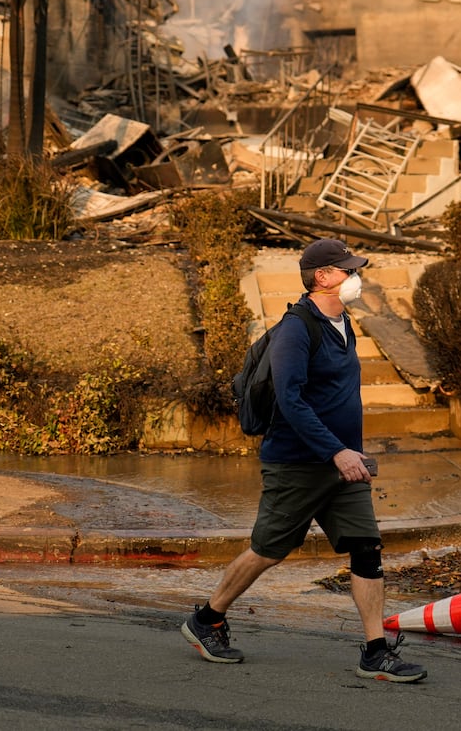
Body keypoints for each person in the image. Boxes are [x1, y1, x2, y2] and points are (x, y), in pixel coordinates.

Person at [181, 237, 427, 683]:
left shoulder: (344, 323)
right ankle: (207, 618)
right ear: (322, 277)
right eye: (347, 271)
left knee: (366, 548)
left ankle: (375, 651)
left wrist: (351, 453)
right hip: (297, 464)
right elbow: (291, 402)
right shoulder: (297, 329)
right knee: (268, 550)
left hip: (344, 466)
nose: (356, 278)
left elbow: (337, 396)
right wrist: (335, 449)